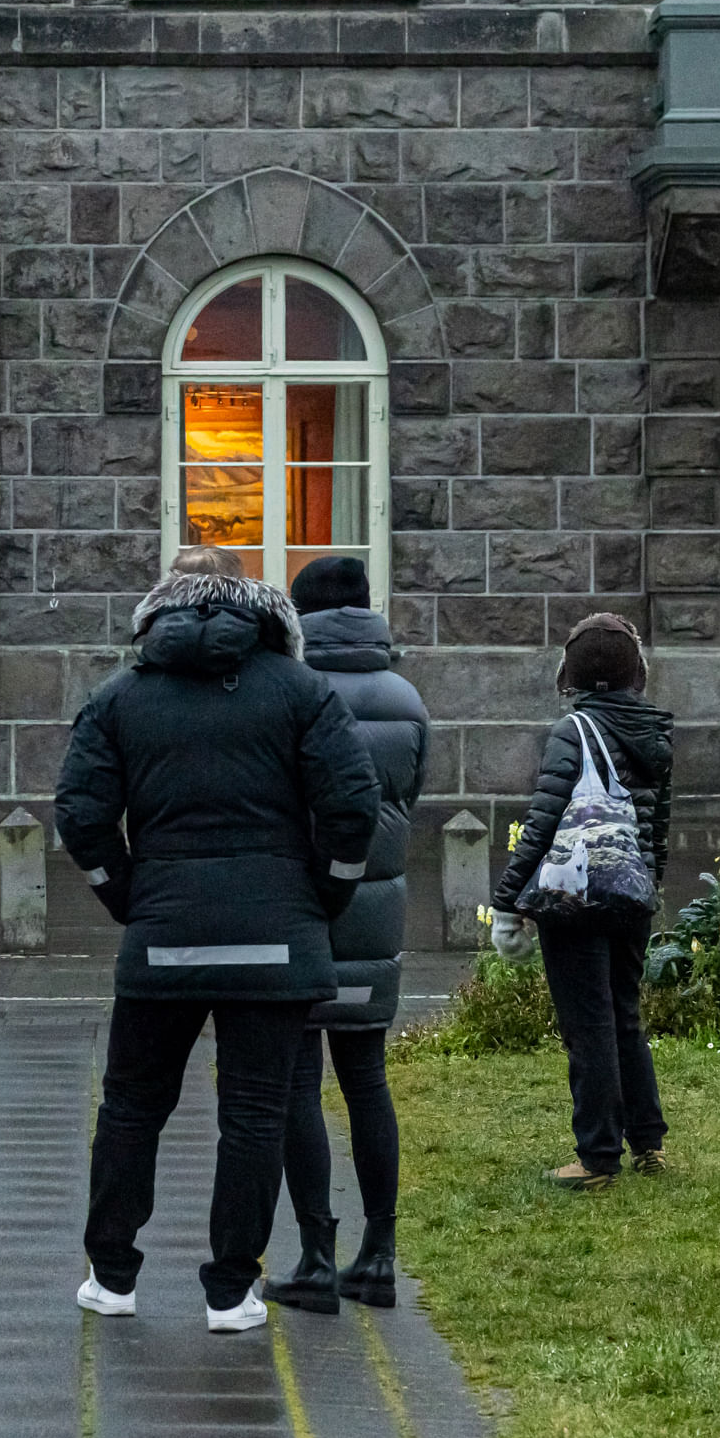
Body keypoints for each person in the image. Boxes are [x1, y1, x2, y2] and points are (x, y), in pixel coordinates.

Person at [60, 560, 382, 1332]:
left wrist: (125, 893)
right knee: (254, 1114)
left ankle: (112, 1275)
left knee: (132, 1108)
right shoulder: (303, 692)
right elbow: (352, 804)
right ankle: (230, 1291)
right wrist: (323, 894)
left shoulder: (119, 697)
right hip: (276, 936)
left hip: (162, 934)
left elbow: (80, 812)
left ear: (154, 619)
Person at [265, 552, 425, 1314]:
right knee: (366, 1080)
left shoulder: (286, 692)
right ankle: (381, 1254)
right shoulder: (405, 696)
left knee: (298, 1082)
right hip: (377, 906)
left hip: (301, 907)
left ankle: (316, 1255)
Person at [491, 613, 674, 1187]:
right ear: (634, 672)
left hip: (575, 895)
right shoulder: (654, 731)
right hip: (632, 890)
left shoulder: (574, 730)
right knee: (624, 1015)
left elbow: (543, 821)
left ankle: (597, 1158)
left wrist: (508, 900)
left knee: (587, 1024)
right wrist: (649, 883)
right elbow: (658, 824)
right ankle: (648, 1144)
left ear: (571, 673)